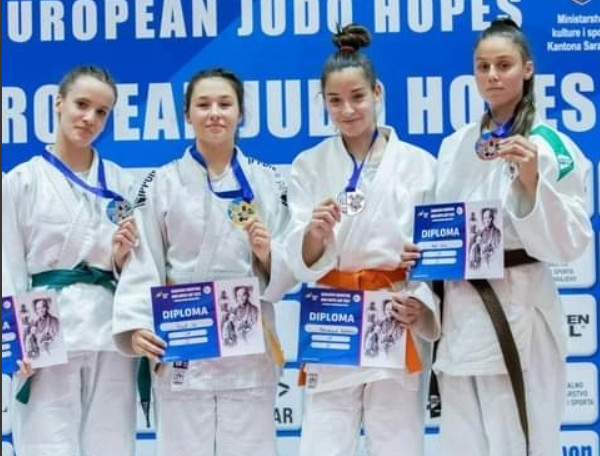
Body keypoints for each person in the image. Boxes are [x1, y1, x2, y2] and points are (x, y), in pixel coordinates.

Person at [402, 18, 593, 456]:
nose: (492, 76)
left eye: (504, 65)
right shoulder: (455, 146)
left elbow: (572, 241)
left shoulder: (549, 144)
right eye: (483, 66)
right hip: (460, 317)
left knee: (521, 441)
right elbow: (436, 226)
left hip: (518, 309)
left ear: (527, 69)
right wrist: (421, 256)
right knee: (462, 443)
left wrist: (531, 181)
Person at [112, 68, 295, 456]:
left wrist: (268, 255)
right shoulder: (161, 182)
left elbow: (290, 263)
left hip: (247, 344)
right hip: (182, 338)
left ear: (240, 113)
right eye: (203, 104)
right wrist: (136, 324)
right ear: (187, 114)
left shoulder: (267, 181)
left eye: (225, 104)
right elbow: (144, 259)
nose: (215, 113)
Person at [286, 24, 439, 456]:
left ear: (377, 92)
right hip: (333, 314)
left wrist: (420, 300)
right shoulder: (308, 164)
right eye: (335, 100)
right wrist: (314, 234)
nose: (347, 109)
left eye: (357, 96)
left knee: (398, 440)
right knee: (323, 440)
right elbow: (299, 258)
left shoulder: (420, 165)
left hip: (394, 310)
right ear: (323, 102)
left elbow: (435, 253)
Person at [2, 65, 139, 456]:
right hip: (44, 329)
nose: (89, 118)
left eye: (101, 112)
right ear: (58, 103)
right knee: (46, 443)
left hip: (110, 331)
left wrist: (120, 259)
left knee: (112, 444)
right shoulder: (21, 181)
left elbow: (140, 269)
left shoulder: (121, 182)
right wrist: (15, 341)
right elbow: (7, 265)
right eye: (82, 105)